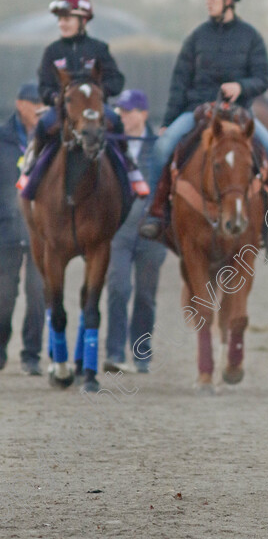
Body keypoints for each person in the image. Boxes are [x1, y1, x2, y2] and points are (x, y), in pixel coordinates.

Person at [140, 0, 268, 239]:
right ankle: (154, 212)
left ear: (229, 0)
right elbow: (179, 83)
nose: (208, 3)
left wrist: (241, 87)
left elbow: (262, 79)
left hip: (238, 112)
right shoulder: (196, 37)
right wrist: (167, 123)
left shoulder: (250, 37)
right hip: (196, 110)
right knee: (162, 148)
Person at [21, 0, 146, 195]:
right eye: (60, 20)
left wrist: (99, 94)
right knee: (43, 124)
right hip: (64, 109)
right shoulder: (52, 51)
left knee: (115, 122)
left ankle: (131, 169)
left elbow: (116, 79)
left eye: (67, 19)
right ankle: (30, 169)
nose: (62, 24)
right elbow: (44, 85)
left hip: (94, 107)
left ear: (84, 21)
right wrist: (54, 98)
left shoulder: (99, 49)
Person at [103, 90, 166, 374]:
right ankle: (114, 353)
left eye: (127, 111)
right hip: (118, 231)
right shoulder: (111, 146)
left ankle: (141, 354)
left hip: (152, 233)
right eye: (120, 112)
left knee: (145, 295)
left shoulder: (161, 147)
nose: (122, 117)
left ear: (143, 113)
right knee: (117, 287)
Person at [0, 83, 45, 375]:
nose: (40, 109)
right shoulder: (2, 139)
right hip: (6, 229)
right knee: (5, 294)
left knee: (38, 293)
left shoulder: (51, 140)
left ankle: (31, 356)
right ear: (20, 104)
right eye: (34, 103)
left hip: (40, 231)